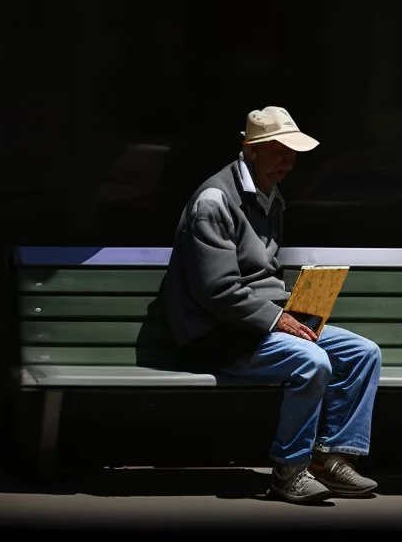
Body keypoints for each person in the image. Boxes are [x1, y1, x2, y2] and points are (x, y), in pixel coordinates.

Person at [160, 105, 383, 503]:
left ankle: (330, 458)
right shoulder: (213, 201)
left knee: (363, 353)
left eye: (292, 152)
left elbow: (261, 271)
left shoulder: (270, 195)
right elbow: (217, 291)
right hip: (218, 332)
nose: (288, 160)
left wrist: (295, 305)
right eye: (278, 150)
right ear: (249, 149)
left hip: (260, 322)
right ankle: (289, 470)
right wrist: (279, 318)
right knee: (312, 362)